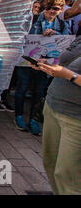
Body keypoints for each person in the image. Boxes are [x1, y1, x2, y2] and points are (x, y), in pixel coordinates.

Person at [31, 36, 80, 194]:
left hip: (76, 119)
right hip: (53, 106)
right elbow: (67, 64)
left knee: (68, 176)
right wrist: (49, 66)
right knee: (51, 165)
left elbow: (70, 73)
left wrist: (69, 75)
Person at [14, 0, 70, 135]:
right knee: (22, 88)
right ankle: (19, 117)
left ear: (61, 10)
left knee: (39, 92)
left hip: (47, 64)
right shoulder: (31, 20)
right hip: (26, 63)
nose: (51, 11)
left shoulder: (63, 26)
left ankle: (33, 119)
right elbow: (19, 36)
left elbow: (66, 43)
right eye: (49, 7)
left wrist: (56, 34)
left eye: (55, 8)